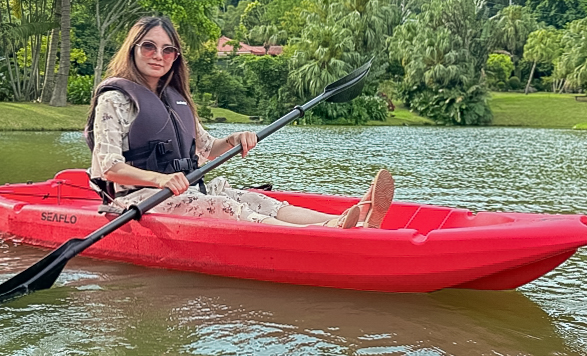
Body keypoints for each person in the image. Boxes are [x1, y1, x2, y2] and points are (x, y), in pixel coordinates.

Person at [86, 16, 394, 228]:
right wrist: (161, 180)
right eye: (149, 47)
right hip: (143, 198)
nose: (158, 55)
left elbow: (208, 148)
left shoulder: (175, 99)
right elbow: (108, 167)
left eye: (168, 50)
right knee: (228, 208)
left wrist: (233, 140)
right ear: (134, 49)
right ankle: (326, 233)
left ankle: (339, 220)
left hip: (190, 189)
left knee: (254, 199)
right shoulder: (114, 100)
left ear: (176, 57)